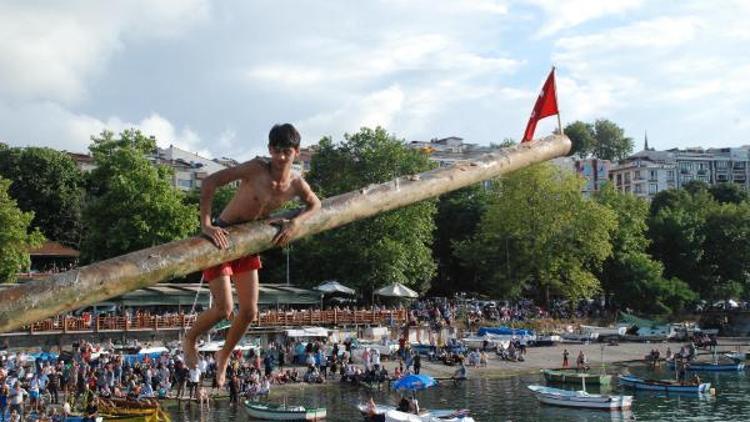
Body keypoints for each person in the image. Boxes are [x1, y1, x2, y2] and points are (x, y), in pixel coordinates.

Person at [182, 123, 321, 387]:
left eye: (287, 151)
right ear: (269, 149)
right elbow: (210, 181)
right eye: (276, 150)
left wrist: (296, 223)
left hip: (249, 242)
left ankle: (223, 356)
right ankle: (190, 338)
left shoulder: (296, 183)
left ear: (297, 153)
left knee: (249, 312)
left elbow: (315, 204)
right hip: (222, 237)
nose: (281, 157)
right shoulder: (256, 168)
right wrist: (207, 225)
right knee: (224, 309)